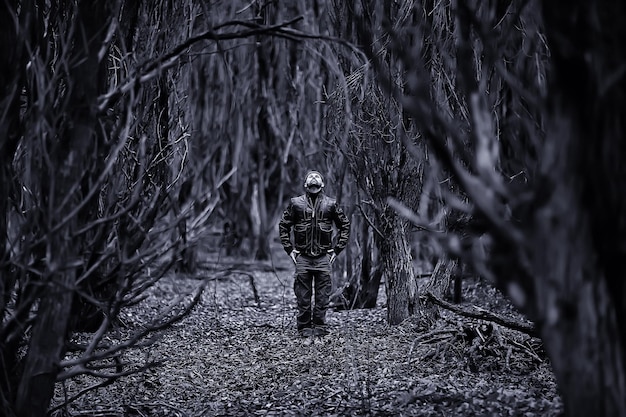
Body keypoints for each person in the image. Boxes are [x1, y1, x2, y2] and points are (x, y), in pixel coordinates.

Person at [279, 170, 351, 337]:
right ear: (305, 184)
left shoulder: (331, 204)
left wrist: (338, 248)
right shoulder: (295, 203)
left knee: (322, 297)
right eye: (310, 177)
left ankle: (319, 329)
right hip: (302, 257)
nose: (313, 179)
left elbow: (344, 225)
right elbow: (284, 225)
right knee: (303, 298)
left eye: (317, 177)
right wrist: (289, 249)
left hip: (323, 258)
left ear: (322, 184)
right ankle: (304, 329)